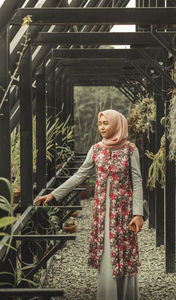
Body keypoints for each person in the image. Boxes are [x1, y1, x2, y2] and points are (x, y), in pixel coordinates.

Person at [34, 109, 144, 300]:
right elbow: (79, 175)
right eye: (100, 123)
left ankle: (126, 295)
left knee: (124, 251)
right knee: (107, 251)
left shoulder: (130, 149)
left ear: (117, 124)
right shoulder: (96, 150)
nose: (101, 127)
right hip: (102, 212)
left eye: (106, 123)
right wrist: (54, 194)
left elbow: (137, 181)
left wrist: (138, 213)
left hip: (123, 212)